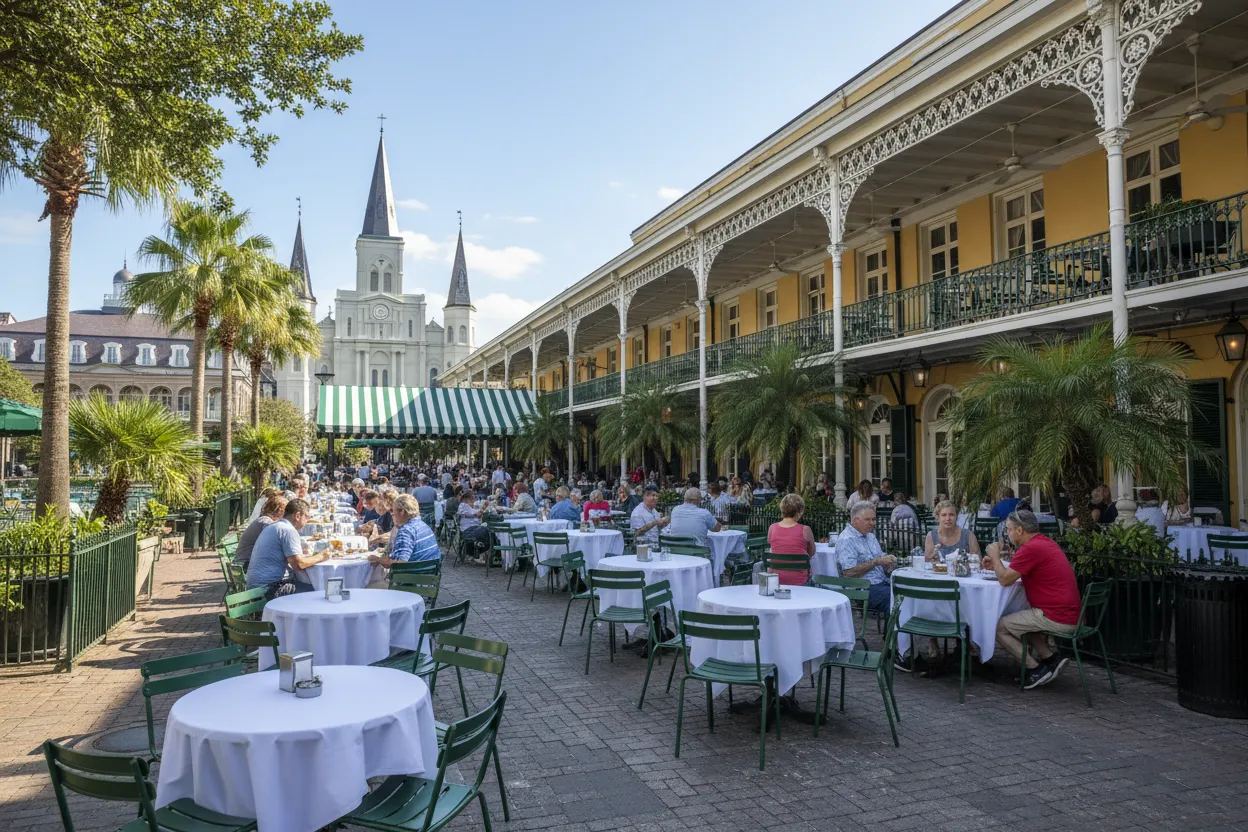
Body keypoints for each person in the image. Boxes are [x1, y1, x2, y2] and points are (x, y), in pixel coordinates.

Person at [984, 510, 1081, 689]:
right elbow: (1016, 571)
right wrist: (996, 567)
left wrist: (995, 557)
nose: (1008, 534)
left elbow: (1005, 580)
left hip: (1056, 616)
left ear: (1020, 530)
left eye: (1009, 530)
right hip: (1068, 612)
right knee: (1021, 617)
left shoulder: (1030, 548)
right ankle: (1050, 658)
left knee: (997, 628)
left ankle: (1035, 669)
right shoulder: (1043, 542)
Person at [245, 499, 328, 599]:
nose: (308, 520)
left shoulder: (275, 526)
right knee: (319, 591)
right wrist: (321, 556)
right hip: (269, 589)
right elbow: (298, 564)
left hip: (255, 587)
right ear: (297, 516)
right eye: (307, 516)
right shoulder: (288, 530)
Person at [836, 502, 896, 614]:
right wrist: (876, 562)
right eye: (867, 519)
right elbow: (848, 572)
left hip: (881, 582)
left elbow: (880, 560)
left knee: (907, 592)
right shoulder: (847, 539)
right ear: (855, 520)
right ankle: (892, 631)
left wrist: (887, 563)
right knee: (895, 598)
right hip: (862, 588)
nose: (872, 523)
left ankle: (900, 630)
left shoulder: (870, 536)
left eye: (873, 519)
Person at [767, 493, 815, 585]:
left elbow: (773, 548)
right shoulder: (806, 530)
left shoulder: (772, 528)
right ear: (800, 511)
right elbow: (811, 553)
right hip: (800, 581)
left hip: (776, 580)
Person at [235, 494, 286, 569]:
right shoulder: (265, 521)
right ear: (281, 510)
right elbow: (277, 536)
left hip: (244, 563)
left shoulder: (262, 520)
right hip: (246, 565)